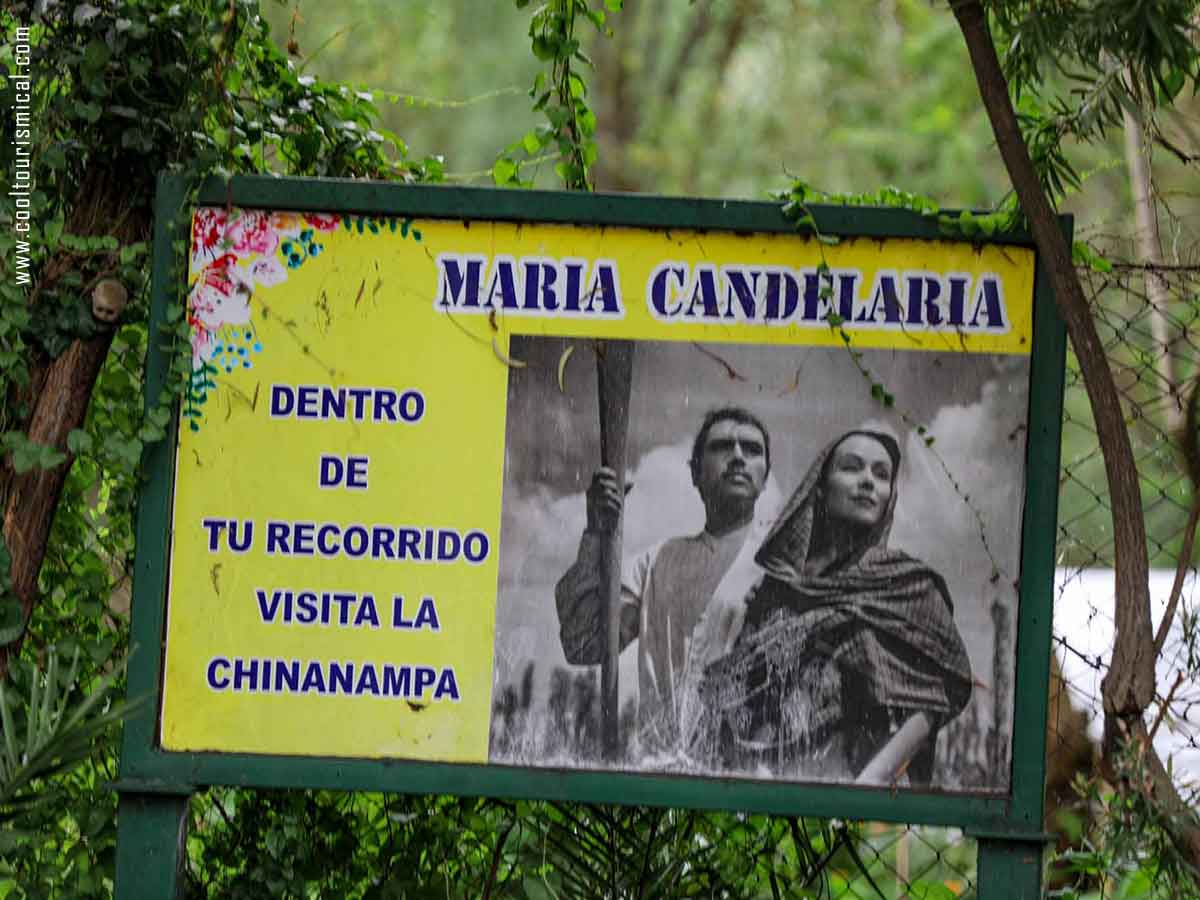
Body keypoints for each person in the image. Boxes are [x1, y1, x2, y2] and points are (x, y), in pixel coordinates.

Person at [687, 429, 972, 786]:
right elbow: (742, 690)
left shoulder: (906, 586)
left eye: (881, 475)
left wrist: (866, 787)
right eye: (852, 468)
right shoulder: (777, 590)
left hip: (850, 785)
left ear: (890, 498)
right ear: (820, 488)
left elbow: (935, 697)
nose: (868, 482)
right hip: (760, 780)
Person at [555, 407, 772, 756]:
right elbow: (583, 644)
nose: (737, 457)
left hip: (754, 775)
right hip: (664, 771)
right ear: (695, 473)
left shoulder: (782, 564)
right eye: (721, 447)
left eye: (751, 449)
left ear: (765, 475)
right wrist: (596, 532)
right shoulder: (656, 562)